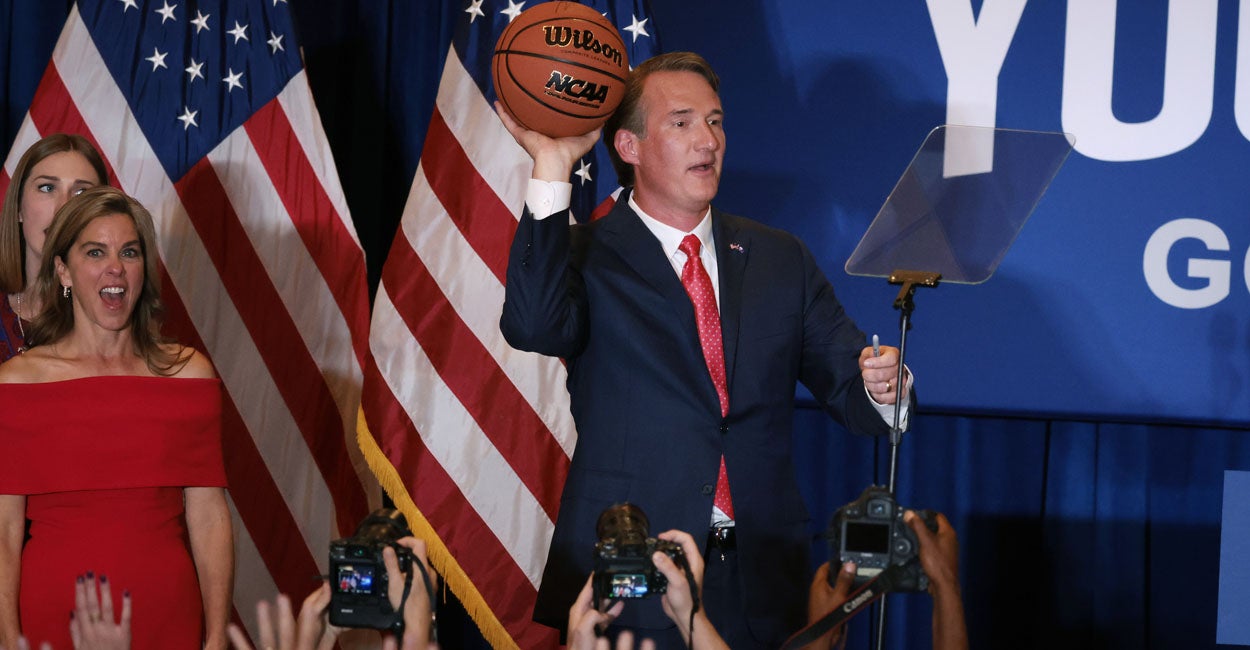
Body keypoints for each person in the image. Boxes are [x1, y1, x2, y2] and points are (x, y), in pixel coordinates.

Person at [497, 51, 913, 648]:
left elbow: (852, 388)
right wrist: (553, 164)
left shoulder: (779, 258)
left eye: (716, 122)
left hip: (763, 579)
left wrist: (884, 387)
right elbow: (533, 327)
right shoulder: (587, 254)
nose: (708, 140)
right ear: (629, 146)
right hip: (632, 569)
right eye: (682, 122)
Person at [0, 186, 233, 650]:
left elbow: (209, 517)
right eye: (95, 252)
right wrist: (7, 639)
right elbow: (4, 529)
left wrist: (215, 638)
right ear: (63, 270)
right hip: (50, 626)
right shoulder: (16, 384)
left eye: (129, 252)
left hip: (169, 622)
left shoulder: (188, 375)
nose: (116, 267)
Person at [0, 133, 108, 361]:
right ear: (19, 207)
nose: (63, 208)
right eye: (47, 188)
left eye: (81, 192)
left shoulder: (115, 314)